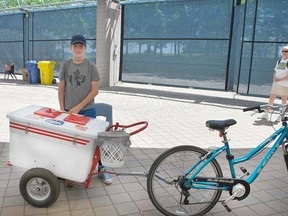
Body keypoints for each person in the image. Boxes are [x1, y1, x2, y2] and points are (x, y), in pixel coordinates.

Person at [58, 34, 113, 185]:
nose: (77, 49)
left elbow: (95, 90)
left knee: (95, 141)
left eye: (80, 46)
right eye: (75, 46)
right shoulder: (65, 65)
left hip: (88, 111)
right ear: (70, 48)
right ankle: (69, 172)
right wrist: (63, 108)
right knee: (70, 142)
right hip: (69, 111)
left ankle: (102, 169)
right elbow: (61, 87)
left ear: (85, 49)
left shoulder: (90, 66)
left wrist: (78, 107)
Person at [261, 45, 288, 121]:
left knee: (284, 100)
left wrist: (280, 80)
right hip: (276, 84)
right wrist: (275, 77)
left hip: (285, 85)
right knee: (271, 98)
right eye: (282, 51)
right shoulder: (279, 61)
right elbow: (275, 71)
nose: (283, 52)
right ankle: (267, 114)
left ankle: (281, 116)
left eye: (285, 51)